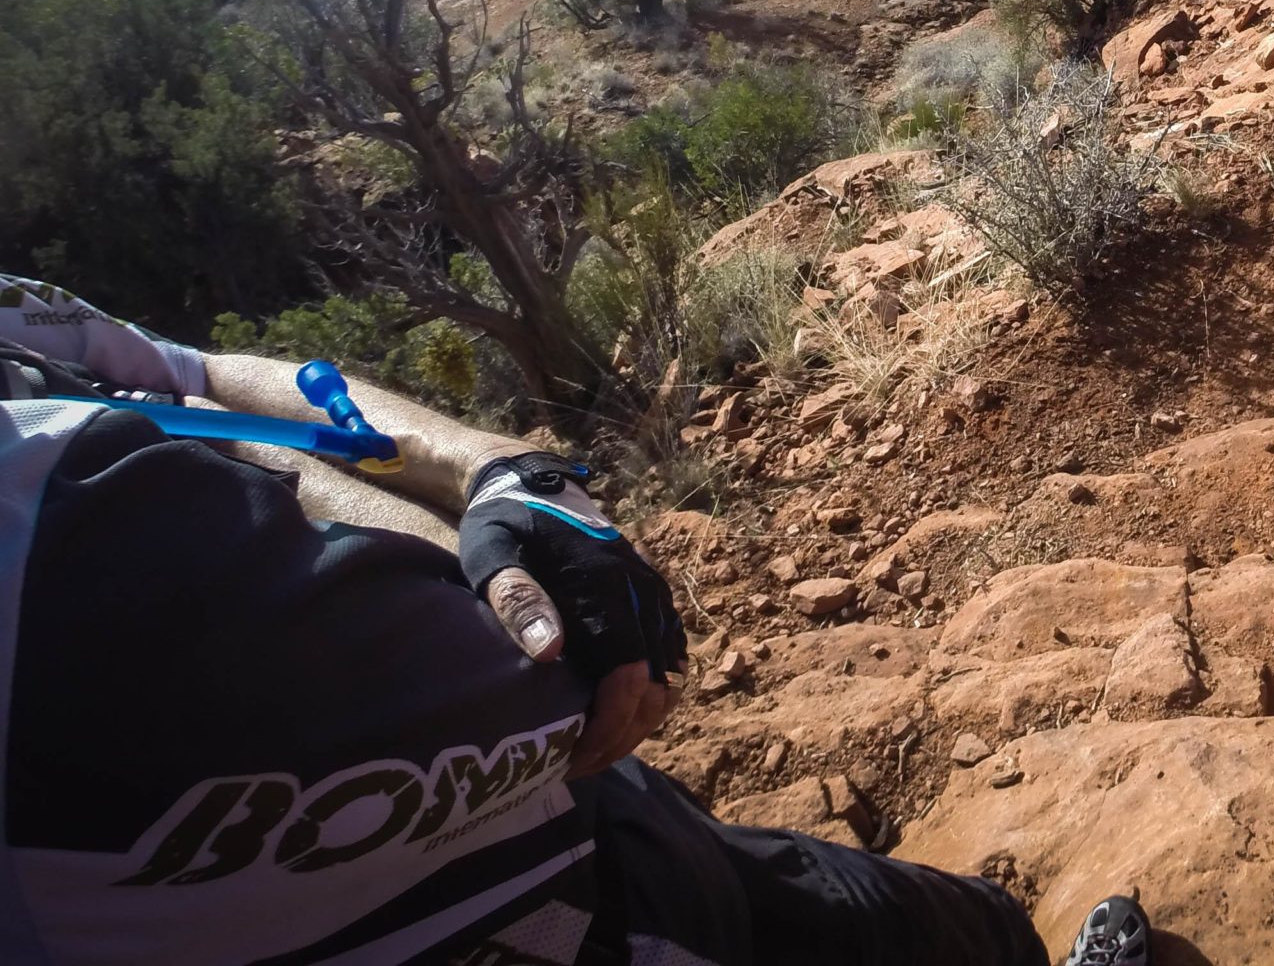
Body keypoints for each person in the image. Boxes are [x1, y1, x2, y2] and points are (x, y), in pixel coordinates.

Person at [0, 262, 1150, 965]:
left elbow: (191, 374)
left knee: (959, 930)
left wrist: (504, 473)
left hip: (629, 846)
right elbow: (490, 674)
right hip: (525, 893)